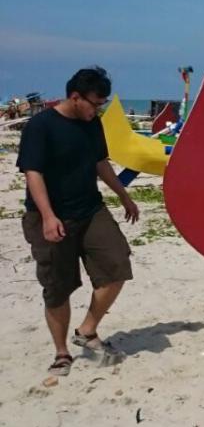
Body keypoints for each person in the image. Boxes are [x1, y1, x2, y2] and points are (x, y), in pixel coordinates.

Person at [17, 67, 140, 377]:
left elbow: (101, 163)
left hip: (91, 210)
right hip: (50, 215)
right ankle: (61, 352)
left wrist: (124, 196)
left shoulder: (92, 124)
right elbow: (33, 173)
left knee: (117, 264)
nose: (98, 109)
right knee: (58, 287)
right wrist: (47, 216)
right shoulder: (40, 126)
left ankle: (86, 330)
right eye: (95, 103)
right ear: (75, 97)